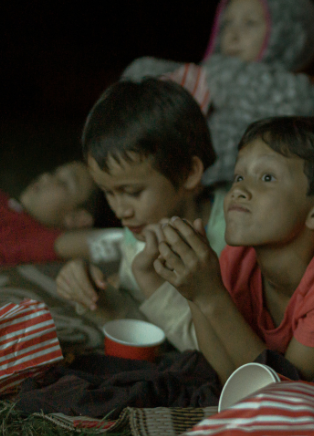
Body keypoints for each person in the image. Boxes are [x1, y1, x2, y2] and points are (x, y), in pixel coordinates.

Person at [139, 117, 314, 385]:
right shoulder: (237, 260)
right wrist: (194, 292)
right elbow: (228, 375)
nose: (238, 189)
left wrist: (211, 294)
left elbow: (280, 389)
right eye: (239, 176)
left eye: (267, 177)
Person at [123, 0, 314, 188]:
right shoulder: (200, 84)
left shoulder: (302, 94)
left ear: (285, 34)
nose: (234, 34)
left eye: (250, 23)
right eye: (227, 24)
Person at [55, 78, 226, 351]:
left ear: (189, 173)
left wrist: (150, 280)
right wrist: (96, 295)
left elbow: (220, 351)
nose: (121, 210)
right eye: (108, 192)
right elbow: (149, 326)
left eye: (132, 192)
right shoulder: (142, 227)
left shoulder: (236, 234)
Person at [0, 162, 116, 266]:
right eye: (53, 173)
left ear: (77, 218)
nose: (45, 176)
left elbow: (109, 242)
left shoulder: (32, 237)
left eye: (63, 183)